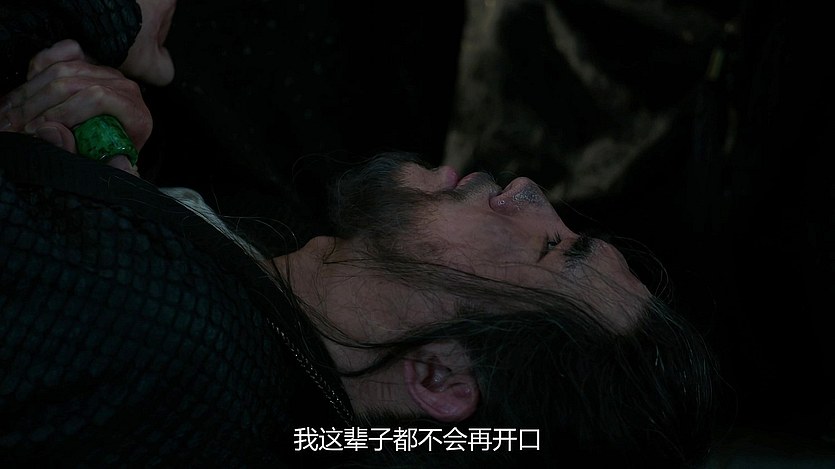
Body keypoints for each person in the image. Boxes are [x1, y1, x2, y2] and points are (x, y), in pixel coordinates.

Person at [0, 1, 720, 467]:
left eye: (551, 247)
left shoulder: (173, 338)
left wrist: (91, 11)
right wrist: (100, 177)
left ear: (438, 376)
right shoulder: (243, 312)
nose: (529, 190)